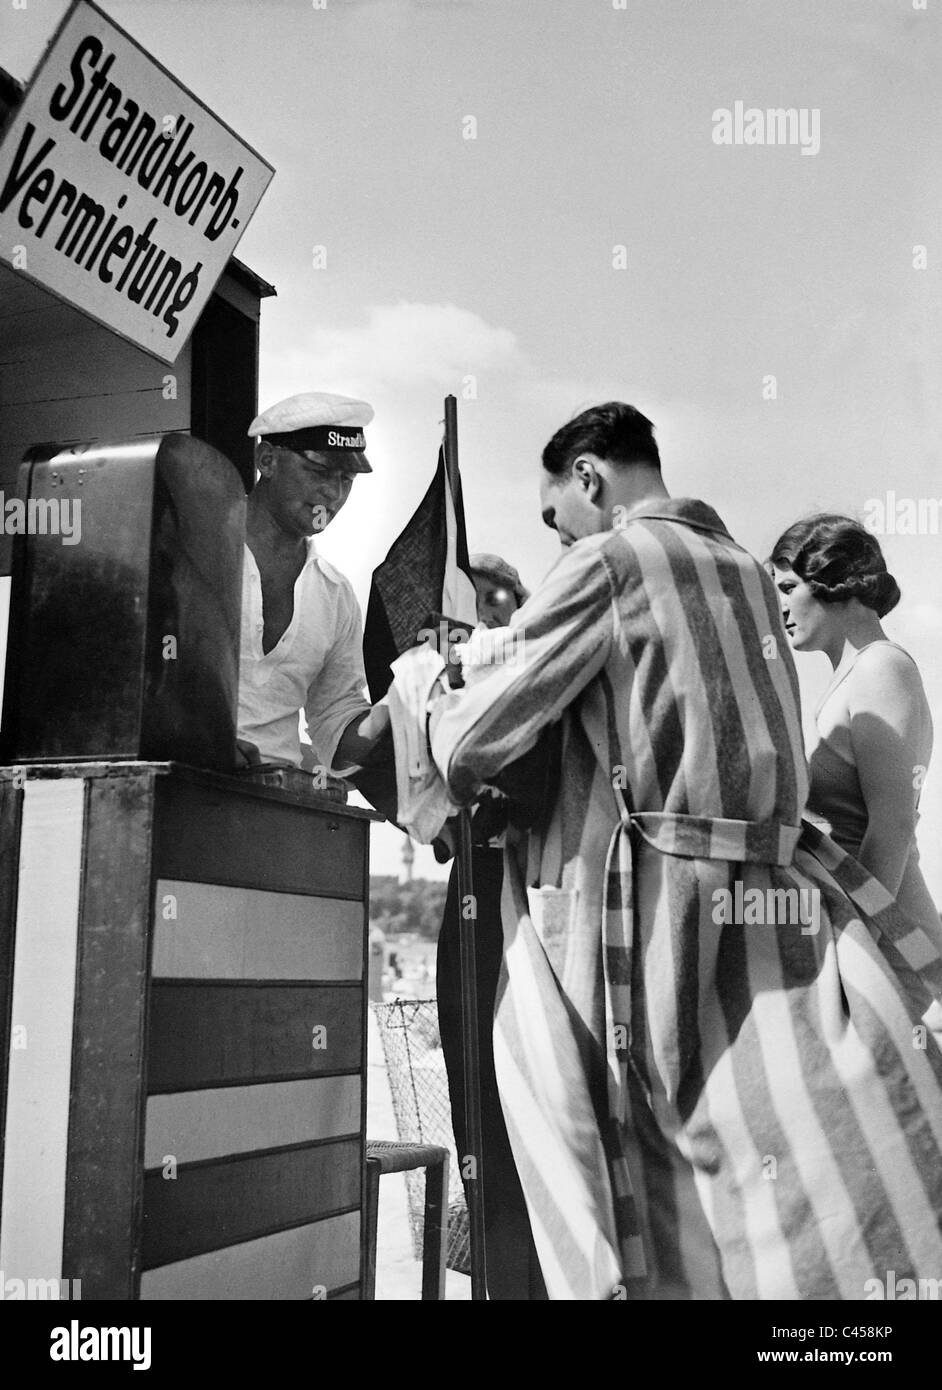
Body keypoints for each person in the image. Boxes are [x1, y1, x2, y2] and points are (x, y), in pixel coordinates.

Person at [389, 401, 942, 1300]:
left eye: (554, 512)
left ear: (590, 480)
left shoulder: (608, 561)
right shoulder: (750, 576)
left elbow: (479, 736)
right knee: (761, 1148)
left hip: (643, 908)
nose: (556, 533)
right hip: (769, 900)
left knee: (590, 1124)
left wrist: (433, 690)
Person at [434, 553, 547, 1300]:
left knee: (536, 1107)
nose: (488, 624)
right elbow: (435, 826)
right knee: (474, 1099)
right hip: (472, 901)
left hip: (536, 908)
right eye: (475, 614)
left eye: (502, 609)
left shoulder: (545, 690)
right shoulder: (450, 697)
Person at [769, 515, 941, 953]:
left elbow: (892, 824)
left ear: (834, 581)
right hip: (862, 924)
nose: (780, 608)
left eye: (788, 588)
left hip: (894, 943)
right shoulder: (849, 678)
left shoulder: (880, 667)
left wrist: (860, 946)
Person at [237, 391, 389, 776]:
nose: (334, 494)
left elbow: (335, 725)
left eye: (347, 479)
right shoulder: (195, 546)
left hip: (272, 803)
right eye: (320, 472)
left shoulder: (335, 596)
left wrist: (408, 709)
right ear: (266, 459)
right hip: (174, 784)